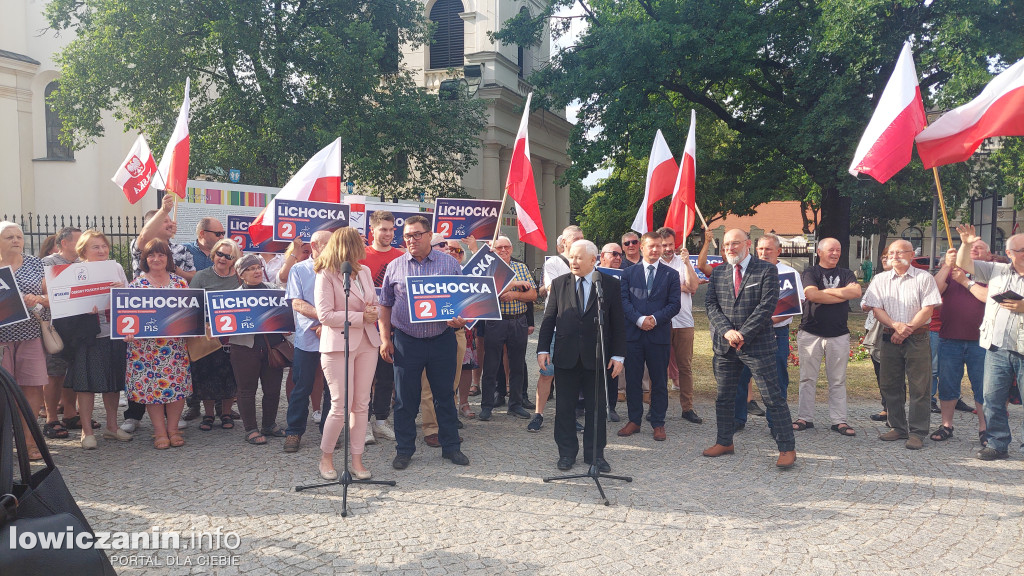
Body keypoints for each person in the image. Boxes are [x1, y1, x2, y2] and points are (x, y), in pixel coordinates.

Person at [378, 215, 469, 469]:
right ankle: (404, 450)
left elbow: (461, 301)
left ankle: (451, 447)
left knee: (444, 396)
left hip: (442, 339)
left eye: (417, 234)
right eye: (407, 236)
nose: (411, 240)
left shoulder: (449, 264)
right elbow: (384, 305)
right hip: (407, 341)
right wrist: (385, 339)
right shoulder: (395, 266)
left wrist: (460, 319)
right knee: (405, 400)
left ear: (429, 236)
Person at [703, 229, 797, 469]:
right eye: (726, 245)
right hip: (726, 346)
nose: (730, 248)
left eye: (735, 243)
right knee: (724, 397)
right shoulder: (719, 272)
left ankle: (787, 448)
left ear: (747, 244)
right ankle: (724, 441)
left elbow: (767, 306)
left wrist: (744, 333)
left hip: (757, 344)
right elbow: (711, 305)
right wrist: (727, 331)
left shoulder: (766, 270)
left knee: (772, 397)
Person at [538, 239, 626, 471]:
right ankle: (566, 453)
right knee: (564, 408)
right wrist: (543, 348)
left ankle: (595, 455)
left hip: (597, 357)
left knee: (596, 409)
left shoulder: (609, 284)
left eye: (578, 258)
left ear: (593, 260)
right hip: (566, 356)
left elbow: (618, 323)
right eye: (571, 257)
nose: (573, 262)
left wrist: (618, 356)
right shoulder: (559, 284)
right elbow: (548, 319)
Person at [122, 193, 196, 434]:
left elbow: (188, 314)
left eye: (161, 255)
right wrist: (127, 331)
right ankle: (159, 432)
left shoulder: (180, 284)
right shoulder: (136, 286)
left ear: (168, 258)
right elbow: (126, 318)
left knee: (177, 389)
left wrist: (192, 328)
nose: (156, 258)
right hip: (144, 348)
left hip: (174, 346)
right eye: (151, 255)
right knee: (151, 391)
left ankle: (173, 430)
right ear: (144, 258)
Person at [314, 227, 381, 480]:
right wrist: (359, 317)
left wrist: (371, 311)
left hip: (367, 341)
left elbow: (370, 300)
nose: (365, 247)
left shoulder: (363, 271)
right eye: (361, 243)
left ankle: (357, 460)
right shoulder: (326, 274)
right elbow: (325, 315)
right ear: (349, 246)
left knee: (361, 404)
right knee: (340, 406)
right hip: (338, 344)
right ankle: (326, 458)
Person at [862, 239, 942, 450]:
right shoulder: (880, 279)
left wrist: (907, 329)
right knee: (889, 384)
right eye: (891, 252)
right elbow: (875, 308)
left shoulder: (924, 278)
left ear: (911, 254)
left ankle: (917, 432)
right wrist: (896, 325)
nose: (895, 256)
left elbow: (928, 309)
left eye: (900, 252)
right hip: (889, 336)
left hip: (917, 337)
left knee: (920, 386)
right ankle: (898, 427)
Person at [56, 230, 132, 448]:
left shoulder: (116, 268)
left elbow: (128, 299)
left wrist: (121, 290)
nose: (101, 250)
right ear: (83, 251)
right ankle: (86, 431)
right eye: (95, 247)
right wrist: (83, 308)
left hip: (113, 332)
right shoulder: (74, 271)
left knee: (113, 383)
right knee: (85, 384)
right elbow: (64, 304)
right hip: (86, 336)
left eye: (103, 246)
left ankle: (112, 427)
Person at [954, 224, 1023, 460]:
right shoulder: (997, 271)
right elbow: (964, 265)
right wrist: (964, 243)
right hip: (996, 346)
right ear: (1011, 253)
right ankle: (997, 443)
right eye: (1020, 249)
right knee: (992, 398)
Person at [617, 232, 680, 441]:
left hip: (658, 335)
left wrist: (653, 318)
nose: (655, 250)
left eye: (659, 246)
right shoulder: (628, 273)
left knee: (659, 380)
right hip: (634, 335)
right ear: (642, 247)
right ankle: (634, 420)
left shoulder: (671, 274)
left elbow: (674, 305)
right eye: (651, 246)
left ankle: (658, 422)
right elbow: (623, 302)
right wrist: (639, 320)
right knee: (633, 380)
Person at [794, 237, 860, 436]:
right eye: (831, 250)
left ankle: (839, 421)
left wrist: (828, 292)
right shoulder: (810, 272)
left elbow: (856, 292)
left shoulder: (846, 273)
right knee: (807, 378)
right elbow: (812, 295)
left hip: (838, 334)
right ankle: (804, 418)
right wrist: (842, 294)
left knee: (838, 379)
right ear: (820, 252)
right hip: (810, 332)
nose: (835, 253)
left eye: (838, 250)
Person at [0, 221, 50, 460]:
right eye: (9, 237)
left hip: (30, 334)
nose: (16, 241)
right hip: (1, 340)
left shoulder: (34, 263)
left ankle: (29, 443)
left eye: (18, 236)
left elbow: (51, 296)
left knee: (32, 386)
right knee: (3, 392)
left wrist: (38, 298)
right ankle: (4, 446)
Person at [229, 253, 287, 445]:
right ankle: (251, 429)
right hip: (244, 348)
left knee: (272, 389)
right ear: (241, 275)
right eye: (250, 269)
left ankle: (269, 425)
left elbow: (285, 315)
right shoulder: (232, 298)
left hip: (272, 347)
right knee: (246, 390)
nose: (256, 271)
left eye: (258, 267)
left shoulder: (275, 290)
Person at [478, 236, 537, 422]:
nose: (503, 250)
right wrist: (511, 288)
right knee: (491, 365)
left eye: (506, 246)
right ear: (492, 249)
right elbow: (484, 294)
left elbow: (533, 294)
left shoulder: (521, 267)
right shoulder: (487, 268)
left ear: (512, 249)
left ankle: (516, 404)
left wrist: (515, 295)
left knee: (517, 365)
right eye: (499, 247)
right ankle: (486, 405)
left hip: (518, 321)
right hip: (496, 321)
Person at [283, 231, 332, 453]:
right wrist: (325, 319)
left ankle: (329, 431)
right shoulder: (299, 269)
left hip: (333, 336)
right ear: (314, 245)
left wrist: (329, 324)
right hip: (307, 337)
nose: (334, 247)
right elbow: (297, 303)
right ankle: (293, 431)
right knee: (301, 386)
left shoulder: (339, 269)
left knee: (333, 387)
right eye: (328, 244)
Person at [932, 245, 986, 444]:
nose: (973, 251)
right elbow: (933, 292)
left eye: (979, 248)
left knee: (982, 387)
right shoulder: (952, 272)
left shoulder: (989, 274)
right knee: (947, 384)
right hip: (949, 339)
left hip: (982, 342)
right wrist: (947, 266)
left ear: (987, 255)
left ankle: (984, 428)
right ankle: (947, 425)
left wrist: (965, 281)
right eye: (970, 248)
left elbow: (986, 297)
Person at [187, 238, 242, 431]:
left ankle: (226, 413)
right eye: (220, 253)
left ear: (234, 259)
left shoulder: (240, 278)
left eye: (229, 256)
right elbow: (191, 305)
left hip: (233, 336)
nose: (223, 258)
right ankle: (208, 414)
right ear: (213, 254)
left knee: (231, 375)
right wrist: (204, 324)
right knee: (206, 375)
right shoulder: (201, 276)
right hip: (208, 335)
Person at [360, 211, 402, 443]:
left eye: (391, 229)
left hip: (394, 328)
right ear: (372, 231)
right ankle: (364, 424)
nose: (388, 233)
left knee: (387, 377)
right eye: (383, 229)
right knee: (365, 379)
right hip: (366, 329)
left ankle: (380, 422)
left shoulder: (401, 256)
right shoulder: (361, 256)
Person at [40, 227, 86, 439]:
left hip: (77, 324)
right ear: (65, 243)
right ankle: (51, 418)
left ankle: (70, 412)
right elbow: (44, 290)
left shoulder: (82, 264)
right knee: (54, 373)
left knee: (72, 370)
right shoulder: (48, 263)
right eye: (79, 240)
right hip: (56, 325)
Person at [656, 227, 702, 425]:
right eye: (663, 245)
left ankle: (687, 408)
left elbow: (693, 287)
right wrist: (679, 287)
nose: (667, 248)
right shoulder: (652, 264)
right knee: (659, 368)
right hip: (661, 322)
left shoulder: (683, 262)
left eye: (670, 244)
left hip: (683, 322)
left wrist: (687, 265)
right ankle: (658, 408)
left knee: (685, 367)